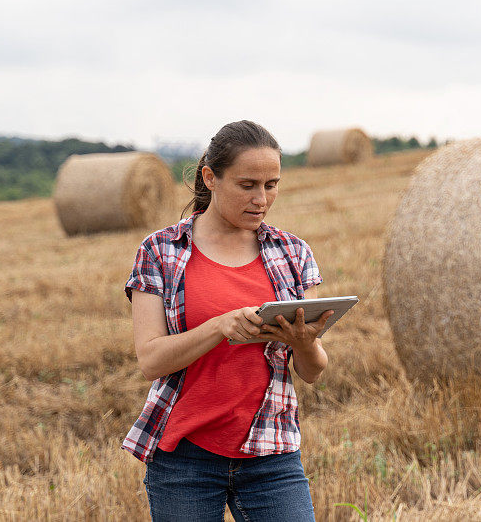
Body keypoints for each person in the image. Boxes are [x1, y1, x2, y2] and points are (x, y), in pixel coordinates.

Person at [122, 120, 334, 521]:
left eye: (271, 185)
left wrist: (304, 341)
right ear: (210, 178)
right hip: (185, 458)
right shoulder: (161, 251)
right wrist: (221, 326)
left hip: (272, 453)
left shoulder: (293, 253)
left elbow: (312, 371)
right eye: (247, 184)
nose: (261, 199)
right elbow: (151, 360)